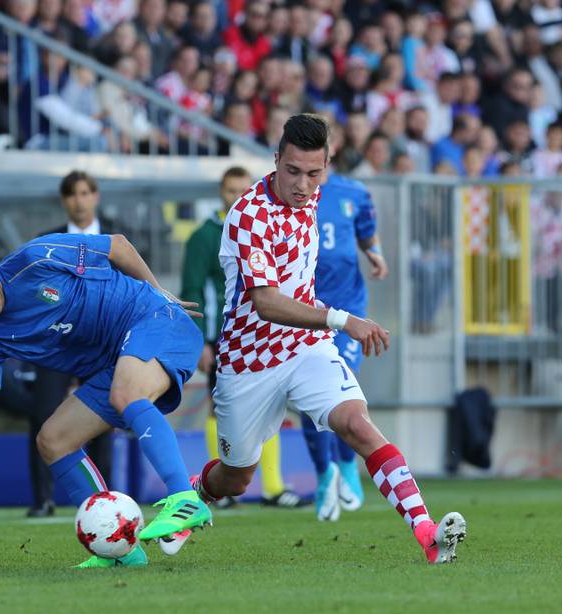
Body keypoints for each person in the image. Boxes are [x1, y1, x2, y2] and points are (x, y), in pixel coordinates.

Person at [190, 113, 466, 564]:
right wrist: (343, 319)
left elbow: (353, 228)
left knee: (358, 425)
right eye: (292, 171)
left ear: (328, 166)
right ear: (276, 160)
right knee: (236, 478)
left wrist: (371, 251)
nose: (302, 185)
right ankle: (197, 492)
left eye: (314, 173)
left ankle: (427, 532)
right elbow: (266, 302)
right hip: (248, 361)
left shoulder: (318, 196)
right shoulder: (248, 215)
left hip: (304, 349)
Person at [0, 233, 213, 568]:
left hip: (154, 319)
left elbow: (118, 245)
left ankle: (184, 498)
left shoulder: (36, 258)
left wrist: (158, 292)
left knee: (126, 393)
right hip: (117, 363)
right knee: (53, 440)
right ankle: (118, 550)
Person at [180, 165, 308, 513]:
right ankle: (223, 488)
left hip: (264, 331)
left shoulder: (260, 226)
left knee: (272, 404)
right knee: (218, 406)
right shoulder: (204, 237)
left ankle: (274, 487)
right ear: (220, 192)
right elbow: (193, 289)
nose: (237, 195)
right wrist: (202, 340)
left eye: (242, 189)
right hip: (223, 335)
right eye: (229, 189)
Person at [299, 151, 388, 522]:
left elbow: (367, 233)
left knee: (342, 385)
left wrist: (376, 254)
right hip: (306, 308)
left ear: (328, 153)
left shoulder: (354, 192)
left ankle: (348, 463)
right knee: (307, 397)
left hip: (349, 308)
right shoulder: (292, 193)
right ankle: (325, 473)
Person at [25, 170, 115, 518]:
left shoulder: (117, 238)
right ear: (65, 201)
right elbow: (35, 290)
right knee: (43, 415)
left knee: (103, 417)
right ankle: (42, 499)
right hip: (56, 342)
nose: (79, 201)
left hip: (100, 343)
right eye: (72, 194)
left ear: (96, 196)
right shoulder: (46, 240)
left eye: (84, 193)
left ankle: (106, 499)